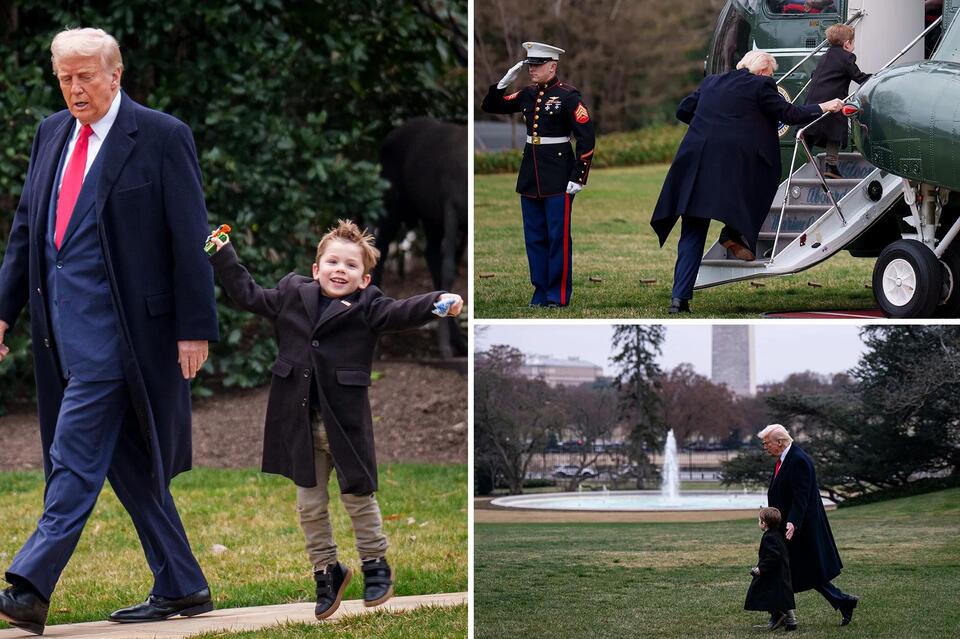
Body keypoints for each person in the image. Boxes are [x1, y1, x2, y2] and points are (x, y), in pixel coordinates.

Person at [0, 28, 218, 635]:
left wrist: (194, 327)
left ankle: (29, 587)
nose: (75, 88)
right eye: (65, 78)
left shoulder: (162, 136)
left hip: (127, 338)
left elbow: (190, 238)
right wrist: (3, 311)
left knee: (71, 457)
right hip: (61, 336)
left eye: (86, 76)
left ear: (115, 75)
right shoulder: (50, 133)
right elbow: (27, 232)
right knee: (129, 463)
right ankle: (183, 582)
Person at [208, 220, 463, 620]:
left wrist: (438, 301)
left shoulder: (368, 306)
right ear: (316, 269)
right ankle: (327, 571)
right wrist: (223, 255)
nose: (340, 270)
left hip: (344, 424)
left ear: (364, 279)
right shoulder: (291, 294)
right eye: (332, 262)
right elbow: (249, 295)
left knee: (358, 497)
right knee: (309, 506)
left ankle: (376, 565)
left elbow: (401, 312)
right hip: (299, 424)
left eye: (350, 265)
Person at [650, 50, 844, 314]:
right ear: (763, 71)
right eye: (771, 73)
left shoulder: (711, 82)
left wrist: (710, 124)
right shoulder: (761, 85)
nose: (772, 77)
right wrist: (826, 106)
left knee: (692, 230)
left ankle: (679, 300)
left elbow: (683, 109)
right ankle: (733, 233)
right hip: (733, 166)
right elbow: (790, 114)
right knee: (763, 183)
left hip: (696, 164)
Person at [481, 41, 595, 308]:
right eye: (530, 64)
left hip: (558, 174)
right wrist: (502, 83)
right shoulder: (528, 94)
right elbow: (491, 106)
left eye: (538, 64)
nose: (532, 69)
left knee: (557, 238)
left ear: (552, 66)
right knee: (534, 238)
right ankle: (540, 291)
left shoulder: (568, 96)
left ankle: (557, 295)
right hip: (530, 174)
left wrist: (578, 175)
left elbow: (586, 137)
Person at [759, 424, 860, 629]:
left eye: (766, 443)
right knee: (794, 570)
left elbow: (801, 496)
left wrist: (793, 522)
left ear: (780, 442)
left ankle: (782, 614)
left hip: (798, 528)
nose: (764, 447)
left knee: (792, 570)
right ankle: (782, 614)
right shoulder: (785, 459)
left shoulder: (798, 460)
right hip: (786, 526)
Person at [803, 24, 870, 179]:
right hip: (833, 100)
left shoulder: (825, 56)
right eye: (853, 43)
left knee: (811, 129)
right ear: (847, 43)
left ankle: (804, 157)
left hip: (814, 99)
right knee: (835, 133)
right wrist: (875, 77)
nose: (853, 46)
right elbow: (858, 76)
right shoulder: (847, 57)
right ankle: (831, 166)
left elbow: (814, 74)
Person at [744, 507, 796, 631]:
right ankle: (791, 622)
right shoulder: (776, 534)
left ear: (764, 523)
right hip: (780, 572)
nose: (758, 522)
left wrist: (760, 569)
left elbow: (773, 556)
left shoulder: (769, 537)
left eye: (759, 520)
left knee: (765, 594)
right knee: (781, 597)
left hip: (773, 573)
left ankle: (778, 616)